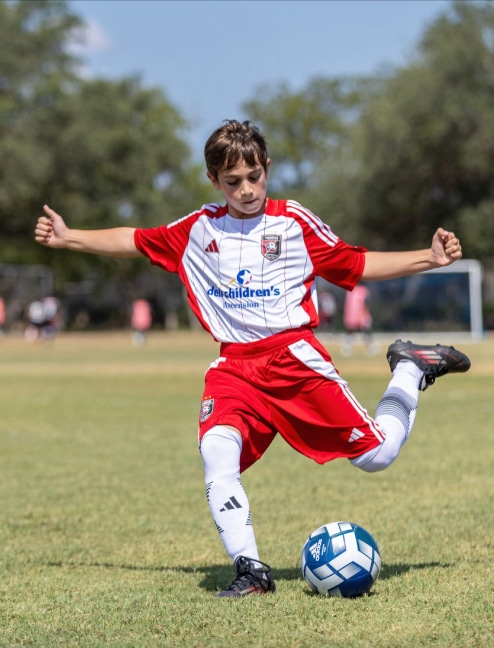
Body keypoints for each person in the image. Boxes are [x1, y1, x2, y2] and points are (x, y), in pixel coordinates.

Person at [34, 119, 470, 598]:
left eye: (254, 176)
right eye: (233, 181)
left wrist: (430, 258)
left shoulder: (294, 222)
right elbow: (135, 240)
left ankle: (410, 367)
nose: (246, 189)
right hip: (235, 368)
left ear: (267, 169)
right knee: (216, 453)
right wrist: (69, 236)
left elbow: (356, 264)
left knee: (378, 456)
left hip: (294, 360)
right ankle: (252, 572)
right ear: (214, 181)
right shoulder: (197, 229)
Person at [342, 282, 377, 356]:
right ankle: (369, 347)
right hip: (361, 313)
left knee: (351, 331)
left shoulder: (349, 290)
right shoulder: (364, 290)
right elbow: (366, 302)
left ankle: (348, 348)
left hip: (352, 314)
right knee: (366, 331)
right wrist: (366, 313)